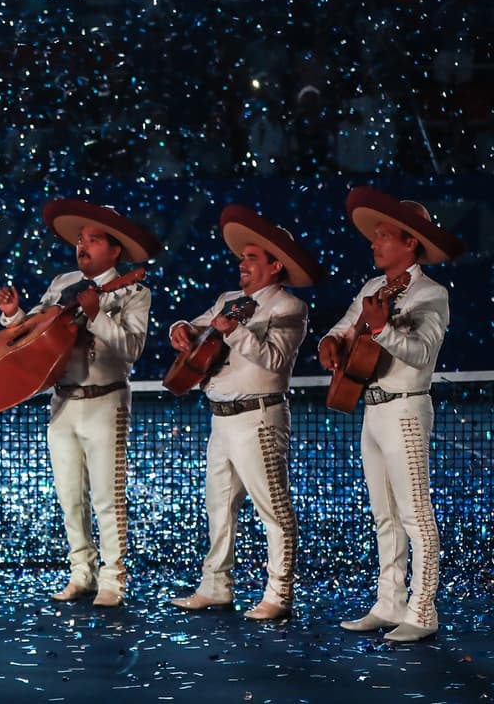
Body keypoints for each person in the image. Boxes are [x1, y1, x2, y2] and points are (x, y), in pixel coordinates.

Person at [0, 199, 159, 608]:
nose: (82, 246)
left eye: (93, 240)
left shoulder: (134, 291)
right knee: (70, 496)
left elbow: (131, 349)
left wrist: (98, 315)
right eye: (80, 240)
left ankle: (113, 580)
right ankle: (81, 572)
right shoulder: (62, 282)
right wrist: (14, 317)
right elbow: (34, 330)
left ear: (115, 250)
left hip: (106, 402)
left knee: (107, 496)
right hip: (63, 402)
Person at [319, 187, 465, 643]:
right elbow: (342, 327)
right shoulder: (371, 289)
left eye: (385, 236)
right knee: (384, 515)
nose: (374, 243)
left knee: (415, 515)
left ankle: (423, 611)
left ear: (410, 244)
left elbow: (421, 354)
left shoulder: (430, 293)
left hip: (405, 410)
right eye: (374, 236)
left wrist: (382, 328)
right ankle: (390, 603)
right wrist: (329, 342)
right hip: (372, 408)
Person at [167, 205, 324, 621]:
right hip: (221, 419)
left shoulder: (289, 309)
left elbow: (273, 359)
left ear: (275, 265)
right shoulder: (228, 301)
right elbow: (196, 326)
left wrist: (233, 331)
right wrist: (179, 328)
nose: (242, 264)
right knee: (218, 506)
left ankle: (278, 594)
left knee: (273, 509)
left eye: (252, 258)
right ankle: (215, 586)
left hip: (259, 419)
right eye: (242, 258)